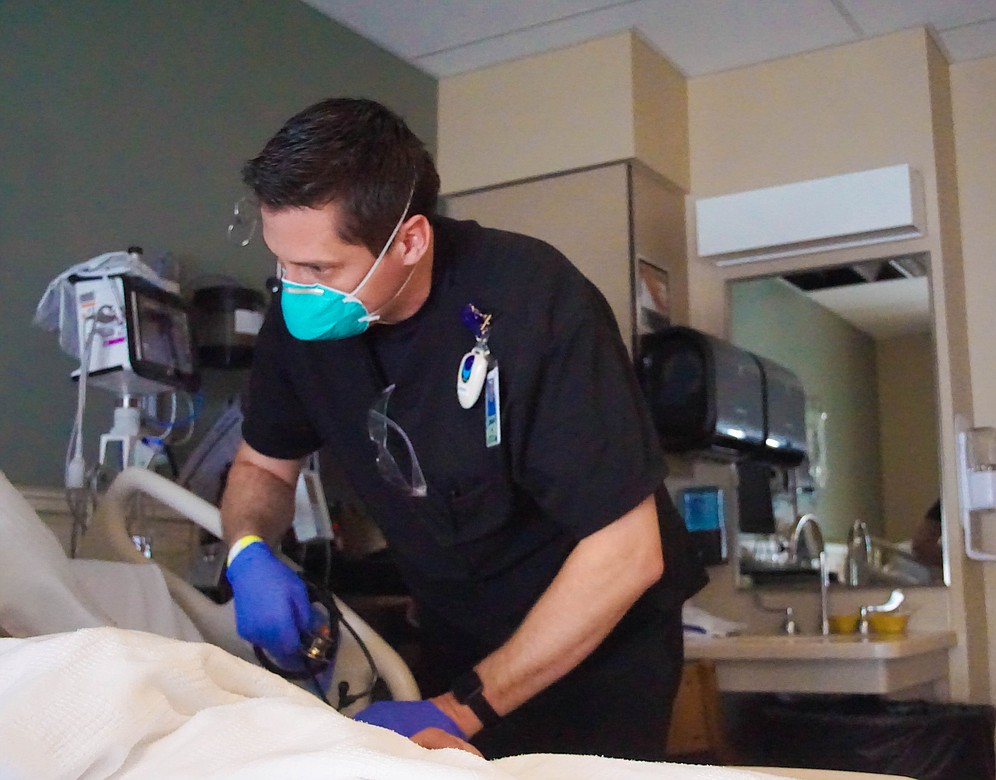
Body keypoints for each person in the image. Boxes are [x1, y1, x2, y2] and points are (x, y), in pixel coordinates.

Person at [219, 97, 708, 760]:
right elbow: (261, 467)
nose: (293, 289)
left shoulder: (534, 304)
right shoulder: (297, 323)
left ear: (411, 240)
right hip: (458, 628)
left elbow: (626, 552)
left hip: (600, 641)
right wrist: (248, 551)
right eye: (282, 264)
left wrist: (464, 708)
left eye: (319, 270)